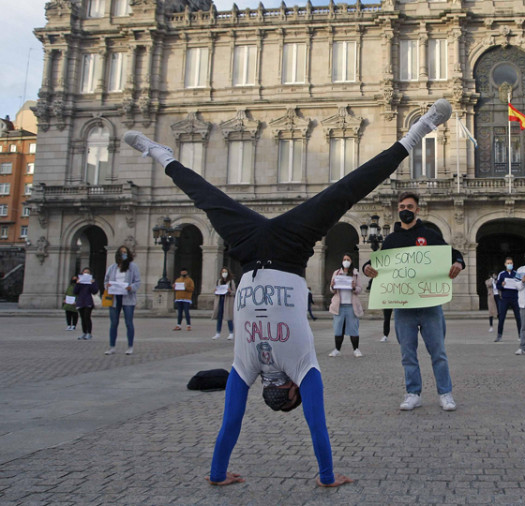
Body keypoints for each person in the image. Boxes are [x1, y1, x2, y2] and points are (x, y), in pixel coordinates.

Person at [122, 98, 452, 486]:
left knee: (350, 188)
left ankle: (421, 128)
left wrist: (328, 477)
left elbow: (317, 425)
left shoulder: (300, 368)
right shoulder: (245, 368)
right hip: (250, 251)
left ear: (294, 390)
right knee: (206, 197)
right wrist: (216, 474)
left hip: (288, 248)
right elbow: (229, 420)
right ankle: (159, 153)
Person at [363, 191, 464, 412]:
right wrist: (366, 268)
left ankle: (445, 393)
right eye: (401, 207)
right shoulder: (391, 240)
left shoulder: (429, 235)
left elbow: (452, 253)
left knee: (438, 352)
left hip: (429, 305)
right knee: (407, 354)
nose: (405, 210)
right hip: (403, 307)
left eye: (409, 207)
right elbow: (375, 263)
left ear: (418, 209)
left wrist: (458, 262)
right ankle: (413, 393)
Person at [104, 245, 141, 356]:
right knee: (113, 323)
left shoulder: (133, 267)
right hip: (115, 298)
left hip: (127, 298)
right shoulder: (112, 267)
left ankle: (130, 346)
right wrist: (107, 285)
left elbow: (137, 282)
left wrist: (131, 287)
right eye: (121, 252)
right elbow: (105, 281)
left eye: (125, 252)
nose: (123, 254)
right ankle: (112, 346)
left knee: (129, 323)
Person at [328, 253, 363, 358]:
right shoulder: (337, 273)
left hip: (351, 305)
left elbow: (360, 289)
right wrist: (333, 286)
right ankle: (337, 349)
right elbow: (332, 290)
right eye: (344, 259)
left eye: (348, 259)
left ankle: (356, 349)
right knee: (338, 328)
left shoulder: (355, 273)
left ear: (351, 261)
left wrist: (354, 287)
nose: (346, 261)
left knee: (353, 328)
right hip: (339, 305)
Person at [495, 257, 521, 343]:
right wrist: (502, 285)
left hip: (514, 298)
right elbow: (497, 286)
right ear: (505, 264)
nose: (510, 265)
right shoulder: (502, 274)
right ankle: (499, 335)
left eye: (511, 263)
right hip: (505, 298)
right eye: (508, 263)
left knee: (518, 317)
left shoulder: (516, 273)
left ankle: (521, 335)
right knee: (501, 317)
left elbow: (520, 285)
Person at [73, 267, 100, 340]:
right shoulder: (80, 283)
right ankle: (84, 332)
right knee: (82, 318)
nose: (86, 274)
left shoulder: (91, 282)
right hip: (81, 301)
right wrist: (77, 284)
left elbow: (95, 291)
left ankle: (89, 333)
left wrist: (92, 283)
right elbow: (75, 291)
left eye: (87, 273)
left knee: (87, 317)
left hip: (88, 301)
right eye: (84, 272)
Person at [211, 267, 235, 340]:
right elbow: (215, 291)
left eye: (225, 272)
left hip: (227, 300)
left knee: (229, 317)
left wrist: (230, 291)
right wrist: (215, 291)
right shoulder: (219, 281)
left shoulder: (231, 281)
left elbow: (234, 292)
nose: (224, 273)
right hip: (220, 300)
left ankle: (231, 333)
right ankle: (218, 333)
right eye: (223, 272)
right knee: (219, 317)